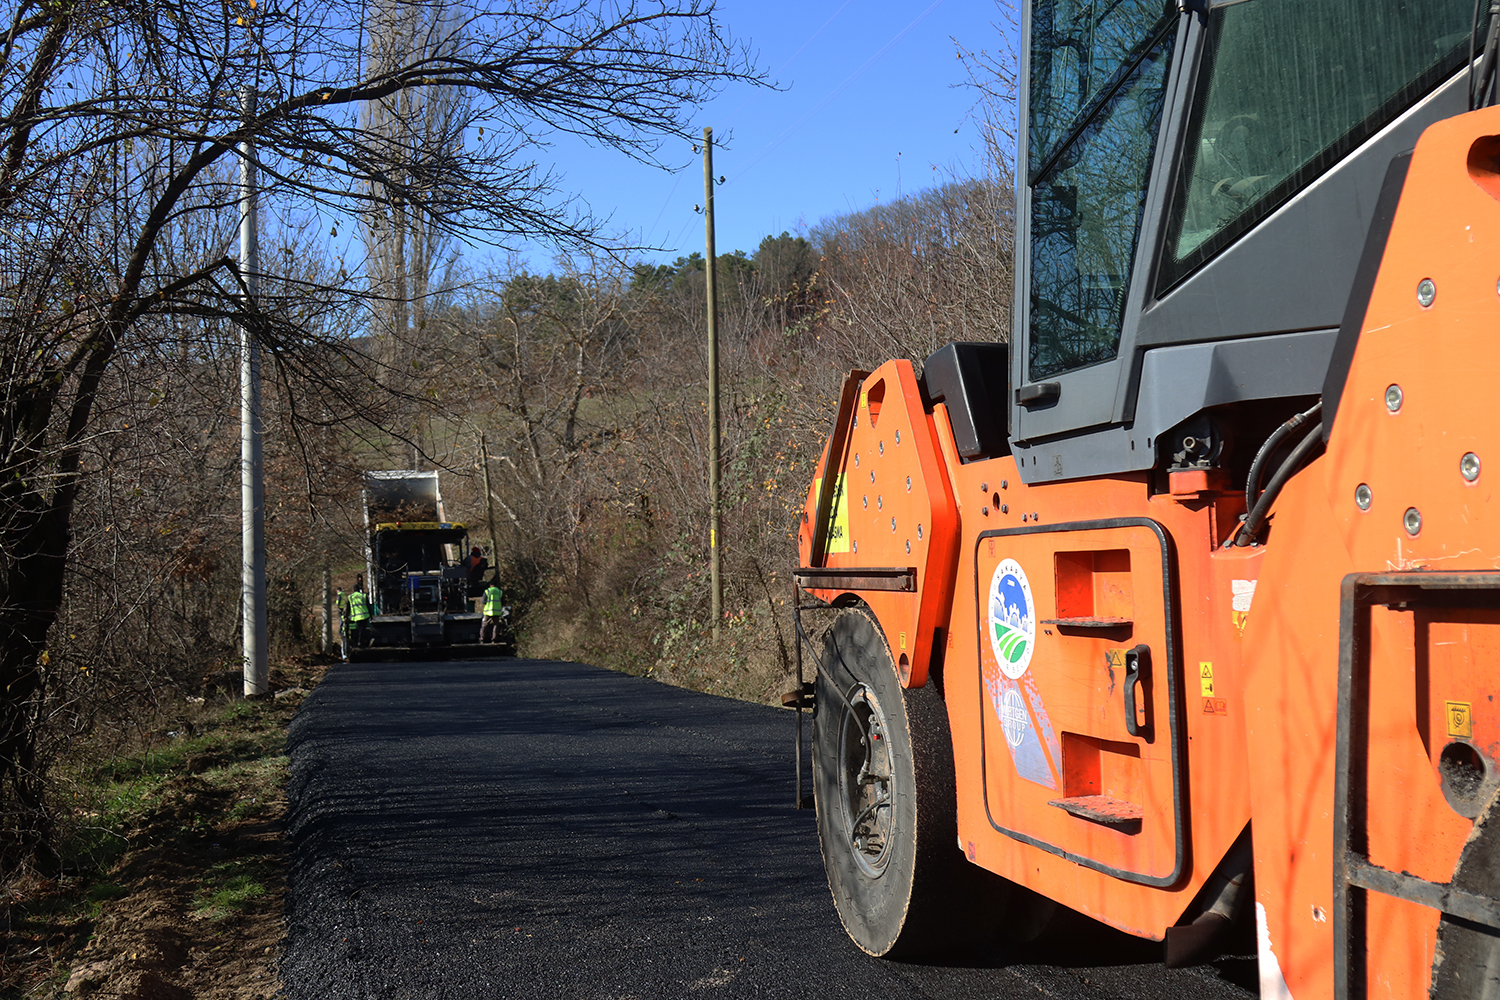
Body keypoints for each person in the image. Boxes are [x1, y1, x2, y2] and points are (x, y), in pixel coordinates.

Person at [340, 574, 373, 655]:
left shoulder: (350, 597)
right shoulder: (364, 596)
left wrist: (346, 617)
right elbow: (368, 606)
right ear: (359, 589)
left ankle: (358, 642)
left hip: (356, 617)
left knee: (358, 629)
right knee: (363, 630)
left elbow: (348, 608)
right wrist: (371, 615)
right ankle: (362, 643)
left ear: (353, 590)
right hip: (365, 616)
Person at [480, 577, 505, 644]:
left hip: (488, 612)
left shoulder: (487, 591)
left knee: (484, 625)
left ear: (490, 585)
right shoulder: (500, 592)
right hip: (497, 612)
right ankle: (494, 639)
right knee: (496, 625)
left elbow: (483, 601)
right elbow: (503, 602)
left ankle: (482, 639)